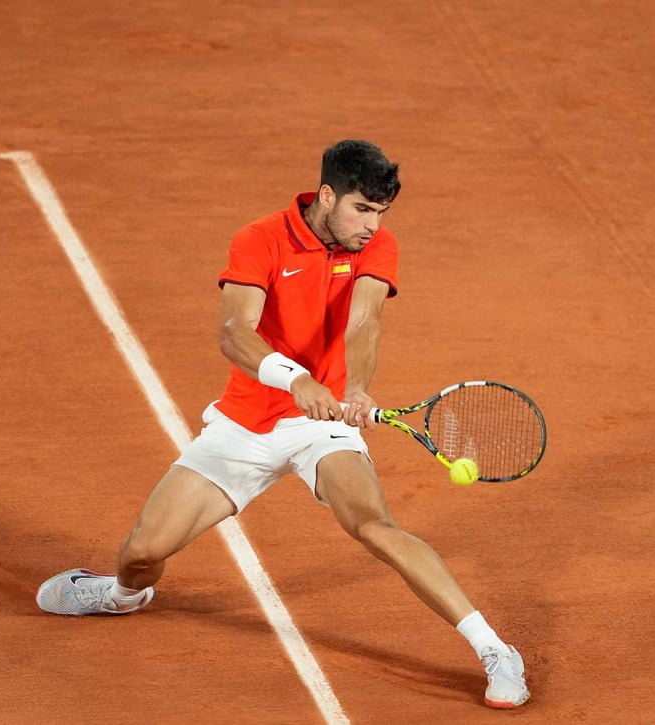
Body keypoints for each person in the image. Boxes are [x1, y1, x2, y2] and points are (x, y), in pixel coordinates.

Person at [35, 140, 530, 709]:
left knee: (375, 525)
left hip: (323, 425)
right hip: (245, 423)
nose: (372, 226)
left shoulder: (376, 245)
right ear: (327, 196)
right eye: (362, 210)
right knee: (142, 552)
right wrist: (297, 381)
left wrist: (355, 388)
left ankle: (495, 650)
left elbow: (365, 321)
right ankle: (121, 596)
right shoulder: (261, 239)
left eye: (380, 213)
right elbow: (234, 333)